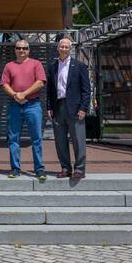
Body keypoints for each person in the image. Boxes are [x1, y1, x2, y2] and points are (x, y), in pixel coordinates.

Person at [1, 39, 47, 181]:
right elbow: (4, 84)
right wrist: (15, 95)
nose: (21, 50)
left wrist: (24, 94)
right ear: (15, 50)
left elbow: (40, 82)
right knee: (13, 138)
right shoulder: (9, 66)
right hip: (15, 105)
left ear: (29, 50)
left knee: (37, 138)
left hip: (33, 104)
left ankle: (39, 169)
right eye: (19, 48)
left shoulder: (36, 64)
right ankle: (15, 168)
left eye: (24, 48)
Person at [46, 38, 91, 179]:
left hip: (75, 108)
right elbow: (49, 90)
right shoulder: (52, 66)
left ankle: (79, 169)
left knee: (78, 139)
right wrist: (49, 107)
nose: (64, 49)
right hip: (58, 107)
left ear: (70, 49)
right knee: (60, 141)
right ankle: (65, 168)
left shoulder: (79, 66)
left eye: (66, 47)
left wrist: (83, 108)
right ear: (57, 48)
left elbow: (86, 90)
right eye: (62, 46)